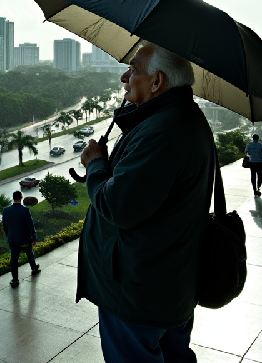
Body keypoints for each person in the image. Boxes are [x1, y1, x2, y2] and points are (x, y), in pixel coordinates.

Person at [77, 42, 214, 363]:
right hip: (167, 284)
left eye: (135, 69)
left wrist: (96, 164)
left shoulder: (162, 131)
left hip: (138, 293)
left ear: (157, 82)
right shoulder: (179, 119)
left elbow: (117, 207)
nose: (125, 76)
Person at [2, 190, 40, 288]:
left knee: (14, 259)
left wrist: (8, 235)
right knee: (29, 253)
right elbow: (30, 225)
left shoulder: (6, 210)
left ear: (13, 198)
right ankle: (34, 268)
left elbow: (5, 226)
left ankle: (15, 280)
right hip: (24, 239)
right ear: (21, 197)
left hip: (12, 239)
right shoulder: (25, 210)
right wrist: (34, 237)